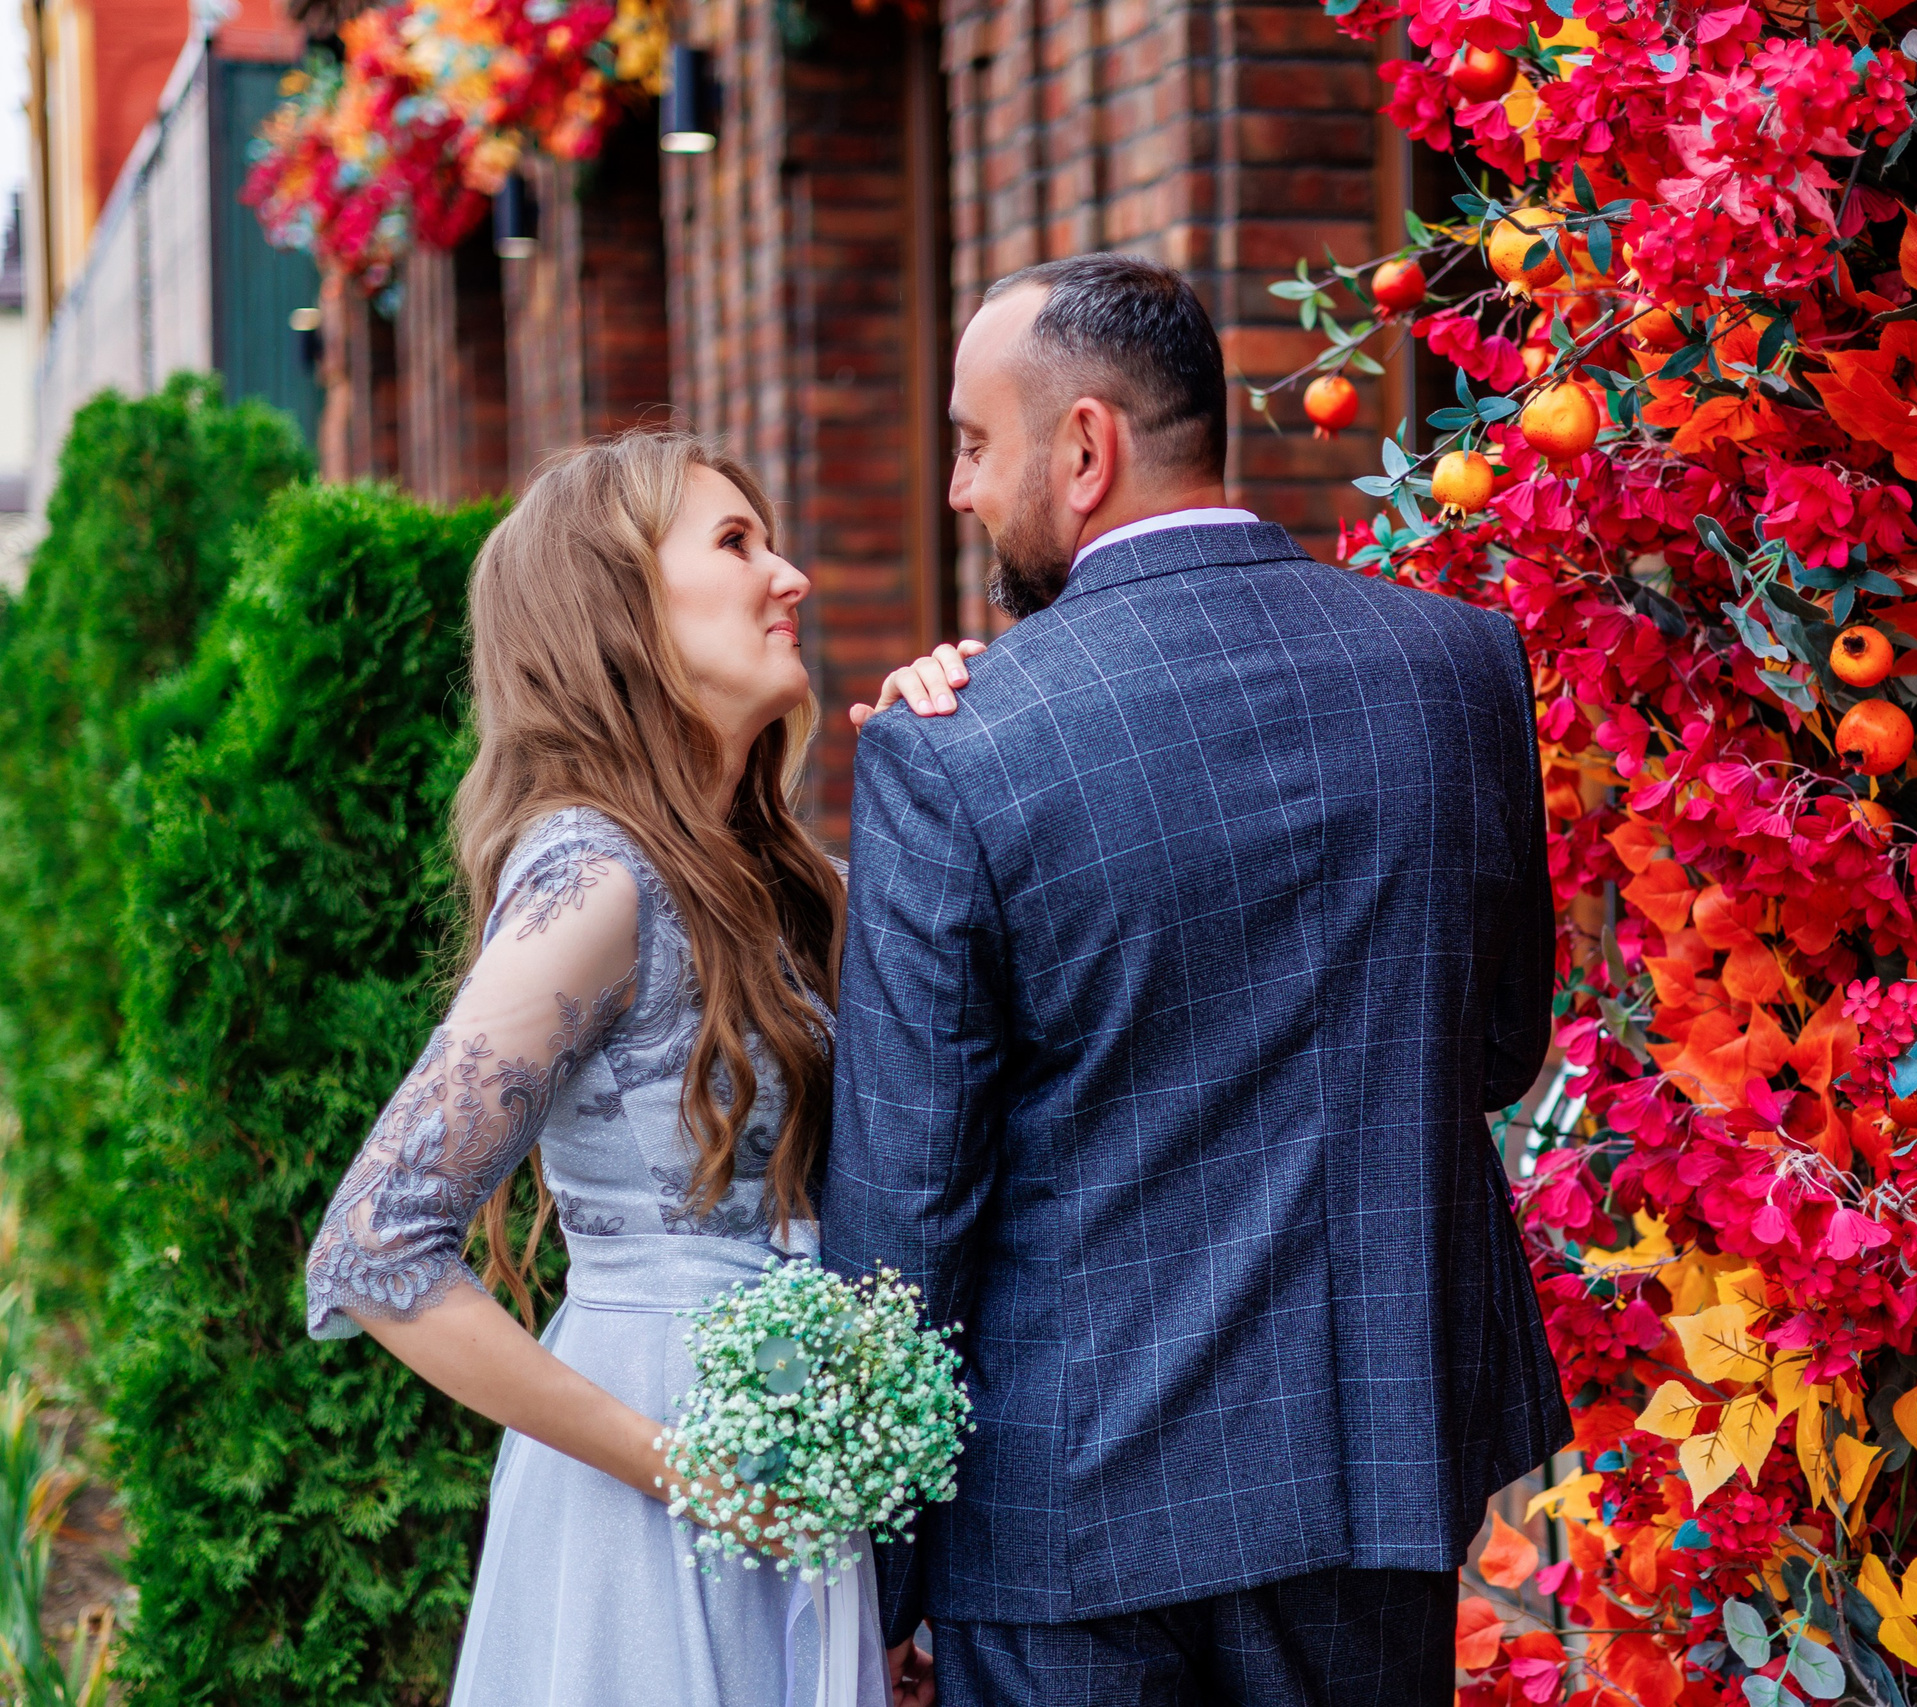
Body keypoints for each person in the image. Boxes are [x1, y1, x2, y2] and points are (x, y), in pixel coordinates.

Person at [826, 253, 1570, 1705]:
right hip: (1374, 1467)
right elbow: (1492, 1049)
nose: (961, 491)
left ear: (1086, 447)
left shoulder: (957, 747)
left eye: (977, 445)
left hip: (1063, 1520)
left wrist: (884, 1568)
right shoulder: (1461, 666)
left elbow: (906, 1203)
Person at [304, 430, 967, 1707]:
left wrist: (945, 765)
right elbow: (374, 1246)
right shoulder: (596, 880)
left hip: (796, 1478)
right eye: (734, 544)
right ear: (615, 611)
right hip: (651, 1496)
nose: (791, 578)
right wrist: (690, 1474)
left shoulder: (791, 880)